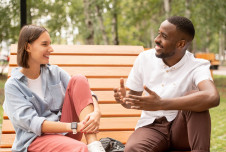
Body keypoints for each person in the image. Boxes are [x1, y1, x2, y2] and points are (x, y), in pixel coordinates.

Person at [114, 16, 220, 152]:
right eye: (159, 33)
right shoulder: (144, 59)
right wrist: (124, 100)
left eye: (164, 36)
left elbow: (212, 97)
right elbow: (132, 102)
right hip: (152, 127)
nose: (156, 39)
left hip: (182, 130)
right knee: (133, 149)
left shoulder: (197, 66)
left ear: (181, 44)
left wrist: (161, 103)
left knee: (196, 99)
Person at [3, 25, 105, 152]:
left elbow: (86, 93)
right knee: (79, 148)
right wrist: (74, 126)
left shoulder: (55, 72)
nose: (51, 49)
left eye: (50, 44)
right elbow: (33, 123)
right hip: (35, 139)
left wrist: (97, 111)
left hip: (65, 133)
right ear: (28, 47)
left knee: (79, 79)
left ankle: (94, 144)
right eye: (44, 44)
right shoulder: (13, 86)